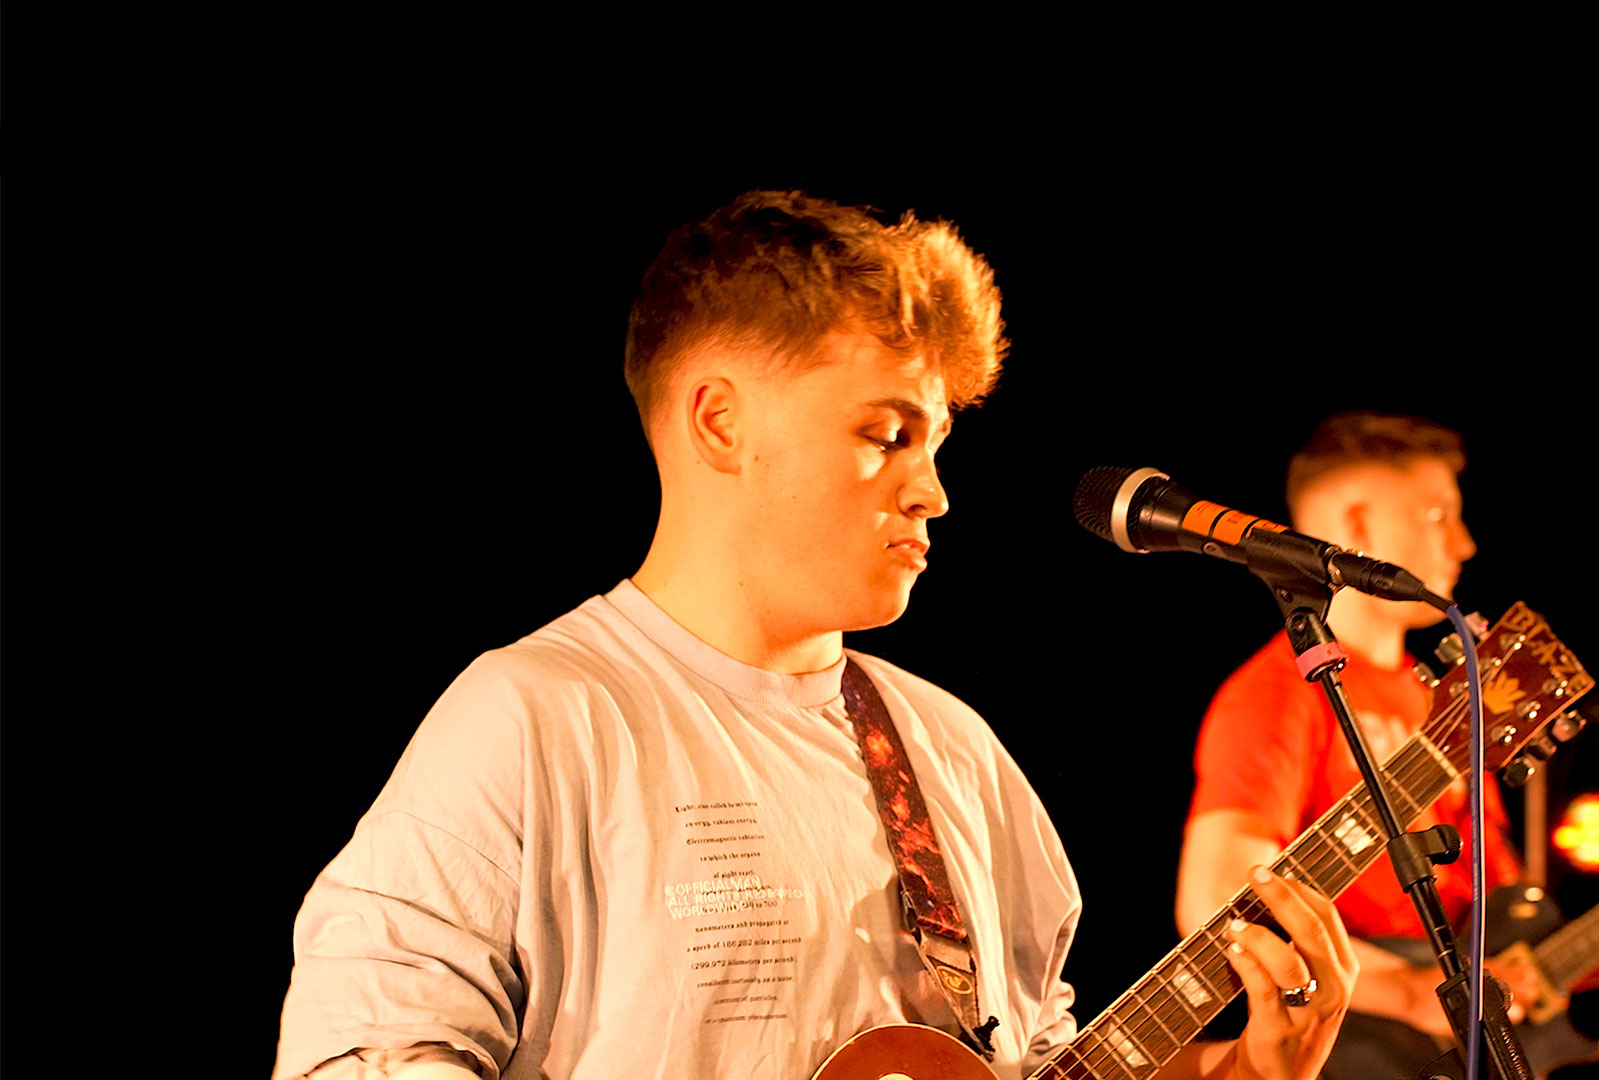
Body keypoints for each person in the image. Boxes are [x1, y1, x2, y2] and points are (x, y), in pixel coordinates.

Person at [272, 190, 1358, 1080]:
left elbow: (1041, 1064)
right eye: (885, 435)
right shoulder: (537, 715)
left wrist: (1245, 1072)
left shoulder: (953, 753)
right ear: (721, 420)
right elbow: (357, 1056)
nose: (931, 492)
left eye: (934, 445)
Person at [1172, 411, 1599, 1077]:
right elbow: (1216, 904)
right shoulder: (1276, 694)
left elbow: (1507, 958)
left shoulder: (1449, 709)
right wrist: (1404, 990)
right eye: (1435, 514)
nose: (1464, 542)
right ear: (1360, 525)